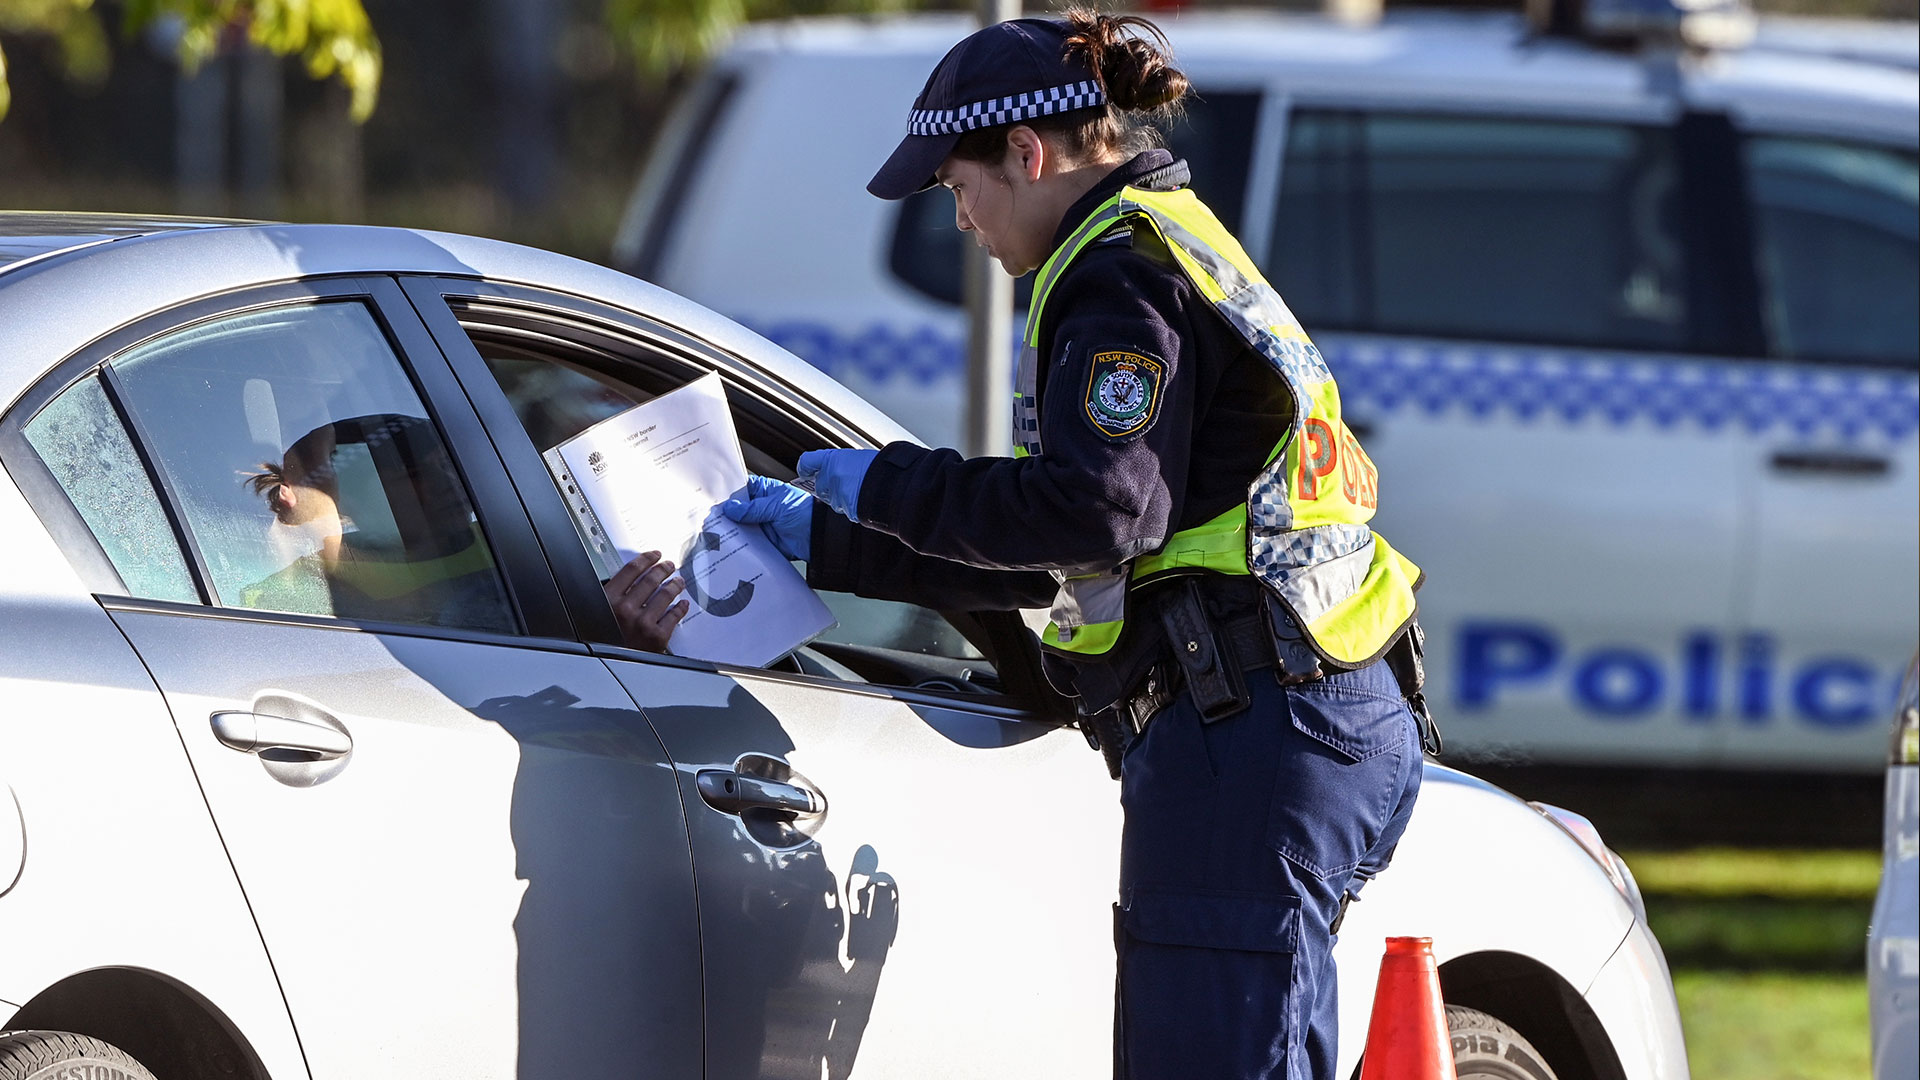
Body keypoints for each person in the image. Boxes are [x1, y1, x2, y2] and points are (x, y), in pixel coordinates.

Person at [724, 11, 1430, 1078]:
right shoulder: (1166, 236)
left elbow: (1095, 512)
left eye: (959, 189)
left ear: (1027, 152)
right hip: (1310, 715)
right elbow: (1070, 542)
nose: (960, 220)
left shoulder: (1115, 276)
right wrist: (838, 538)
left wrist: (888, 481)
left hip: (1250, 726)